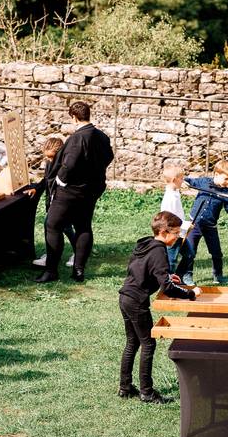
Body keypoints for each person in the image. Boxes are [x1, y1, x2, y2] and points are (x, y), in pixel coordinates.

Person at [118, 211, 201, 404]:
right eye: (176, 233)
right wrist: (190, 294)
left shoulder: (146, 245)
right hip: (137, 301)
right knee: (148, 343)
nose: (179, 237)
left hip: (125, 297)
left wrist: (166, 276)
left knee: (132, 343)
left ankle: (125, 387)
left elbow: (144, 270)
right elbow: (168, 289)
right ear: (164, 232)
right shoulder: (159, 250)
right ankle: (146, 392)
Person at [36, 101, 113, 283]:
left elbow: (69, 163)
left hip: (70, 191)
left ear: (74, 117)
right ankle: (79, 270)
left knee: (52, 225)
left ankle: (51, 271)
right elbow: (109, 157)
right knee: (83, 226)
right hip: (92, 190)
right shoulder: (102, 136)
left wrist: (61, 180)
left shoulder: (78, 137)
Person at [174, 160, 228, 286]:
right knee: (190, 251)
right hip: (195, 224)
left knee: (216, 252)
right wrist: (183, 182)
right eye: (226, 179)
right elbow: (186, 180)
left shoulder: (225, 192)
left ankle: (218, 275)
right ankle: (187, 275)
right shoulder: (203, 182)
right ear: (216, 174)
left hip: (211, 226)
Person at [29, 137, 77, 269]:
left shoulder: (65, 165)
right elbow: (46, 179)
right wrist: (36, 189)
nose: (49, 160)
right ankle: (52, 254)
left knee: (65, 227)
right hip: (52, 200)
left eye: (51, 157)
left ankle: (77, 253)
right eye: (47, 157)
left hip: (63, 201)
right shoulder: (50, 163)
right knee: (50, 226)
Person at [159, 162, 191, 272]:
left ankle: (179, 278)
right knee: (171, 260)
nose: (183, 181)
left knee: (189, 255)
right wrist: (187, 225)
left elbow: (178, 214)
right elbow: (171, 219)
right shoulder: (170, 198)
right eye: (181, 178)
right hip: (172, 233)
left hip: (180, 231)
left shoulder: (174, 192)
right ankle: (168, 281)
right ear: (174, 180)